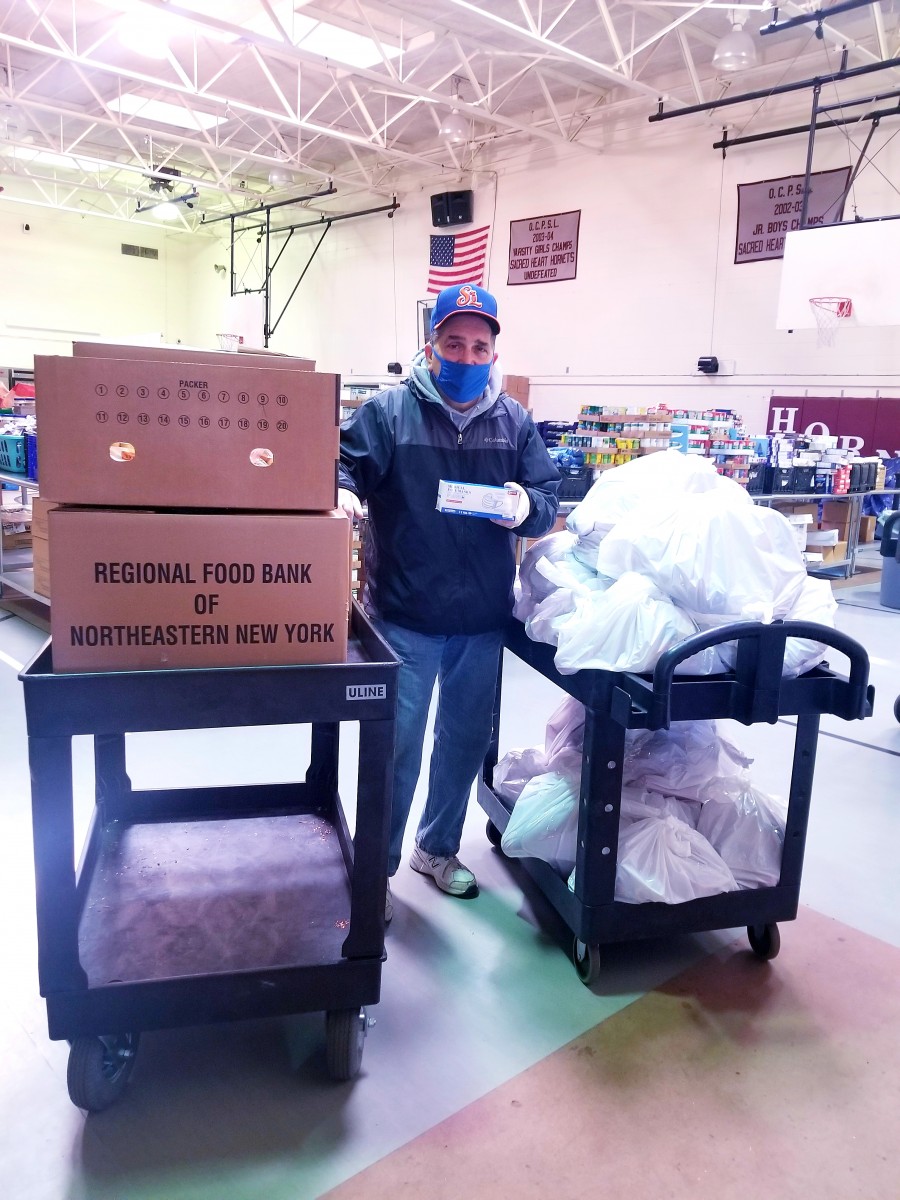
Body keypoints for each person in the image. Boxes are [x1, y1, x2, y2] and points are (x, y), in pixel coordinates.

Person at [338, 282, 560, 921]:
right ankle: (374, 873)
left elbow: (546, 500)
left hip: (482, 623)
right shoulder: (387, 414)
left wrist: (524, 507)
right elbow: (340, 469)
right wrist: (345, 495)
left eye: (479, 346)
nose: (467, 357)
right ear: (431, 346)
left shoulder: (512, 422)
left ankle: (435, 851)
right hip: (404, 616)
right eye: (454, 344)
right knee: (396, 749)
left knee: (462, 743)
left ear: (494, 353)